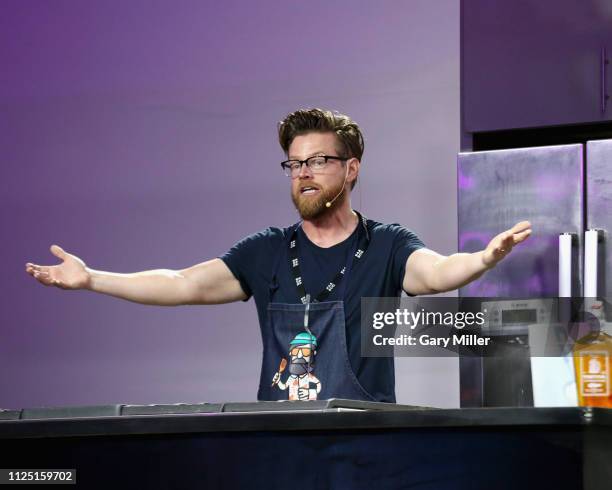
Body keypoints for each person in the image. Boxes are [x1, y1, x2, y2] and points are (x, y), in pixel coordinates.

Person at [25, 108, 531, 403]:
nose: (303, 173)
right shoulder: (266, 251)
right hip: (278, 442)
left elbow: (438, 273)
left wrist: (483, 259)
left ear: (351, 169)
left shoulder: (387, 244)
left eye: (317, 161)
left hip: (366, 446)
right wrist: (92, 278)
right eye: (294, 163)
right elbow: (181, 283)